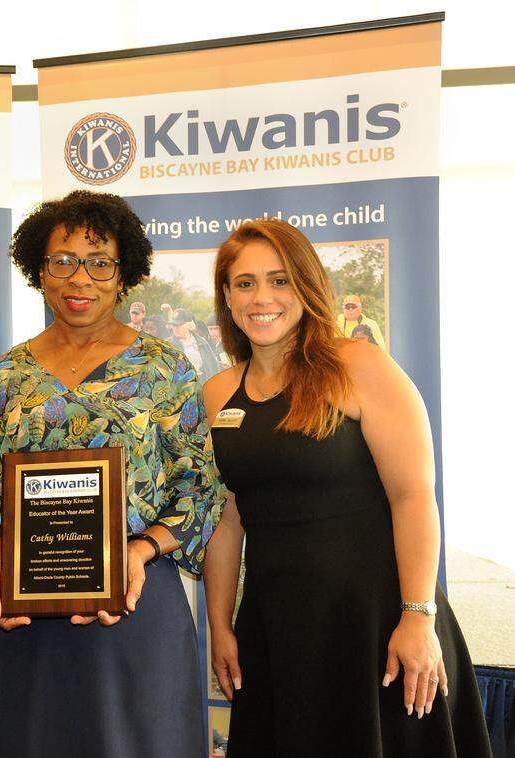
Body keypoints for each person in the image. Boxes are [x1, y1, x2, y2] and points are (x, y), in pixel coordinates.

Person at [203, 219, 489, 757]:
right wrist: (220, 625)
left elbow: (413, 497)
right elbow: (228, 518)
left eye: (279, 280)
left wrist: (417, 616)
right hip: (276, 628)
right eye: (245, 283)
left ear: (306, 286)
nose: (262, 297)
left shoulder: (359, 366)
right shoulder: (218, 393)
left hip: (377, 625)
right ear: (227, 296)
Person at [0, 190, 224, 757]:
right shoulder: (3, 377)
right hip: (29, 615)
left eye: (99, 262)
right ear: (40, 271)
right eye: (62, 261)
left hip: (136, 605)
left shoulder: (164, 367)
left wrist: (138, 551)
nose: (79, 278)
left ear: (123, 273)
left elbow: (200, 488)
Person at [168, 307, 223, 382]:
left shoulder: (201, 342)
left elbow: (214, 366)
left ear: (188, 325)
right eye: (174, 325)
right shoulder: (168, 345)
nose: (175, 328)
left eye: (179, 325)